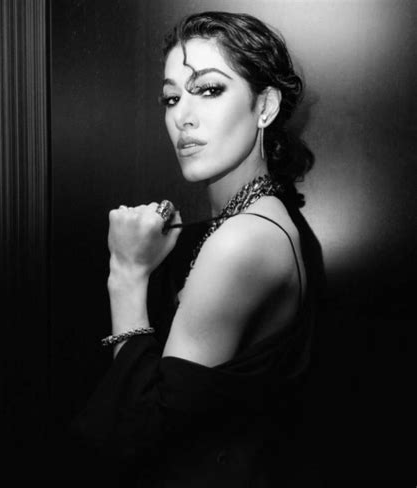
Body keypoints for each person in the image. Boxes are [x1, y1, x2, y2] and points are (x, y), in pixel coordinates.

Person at [73, 11, 321, 487]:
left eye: (208, 89)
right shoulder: (261, 216)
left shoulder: (242, 240)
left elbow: (141, 433)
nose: (182, 117)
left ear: (265, 106)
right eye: (172, 97)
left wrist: (126, 272)